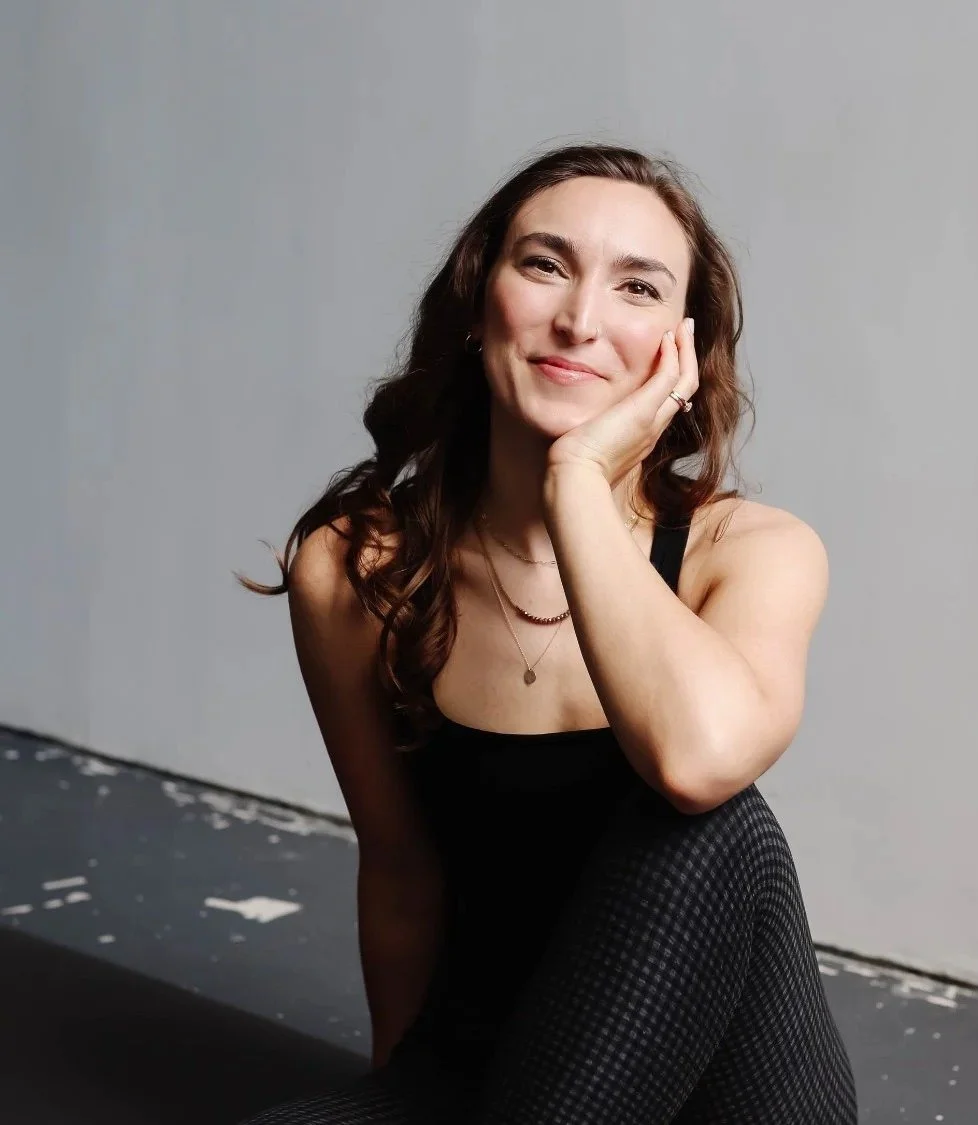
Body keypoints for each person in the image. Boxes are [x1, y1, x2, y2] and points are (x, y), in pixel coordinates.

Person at [236, 142, 858, 1123]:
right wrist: (398, 1092)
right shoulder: (358, 566)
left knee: (709, 825)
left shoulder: (754, 552)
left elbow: (697, 762)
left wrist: (576, 480)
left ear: (681, 351)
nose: (580, 318)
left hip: (722, 1092)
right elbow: (400, 869)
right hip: (499, 1066)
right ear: (480, 301)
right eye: (544, 265)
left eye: (638, 288)